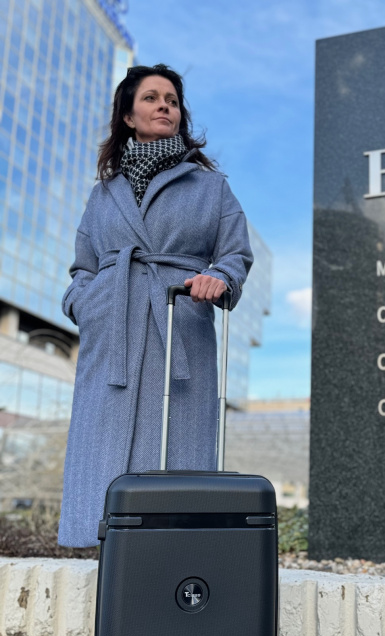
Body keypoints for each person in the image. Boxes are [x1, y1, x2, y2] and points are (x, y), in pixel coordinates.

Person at [58, 64, 253, 548]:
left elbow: (235, 253)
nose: (165, 105)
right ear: (128, 116)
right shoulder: (103, 194)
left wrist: (218, 278)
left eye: (172, 100)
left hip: (178, 321)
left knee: (176, 444)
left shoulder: (211, 187)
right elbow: (82, 267)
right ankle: (104, 551)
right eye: (151, 97)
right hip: (112, 328)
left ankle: (175, 554)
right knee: (102, 446)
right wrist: (86, 304)